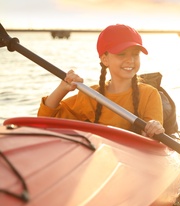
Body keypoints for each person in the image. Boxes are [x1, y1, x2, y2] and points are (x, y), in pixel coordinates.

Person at [37, 24, 165, 138]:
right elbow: (44, 121)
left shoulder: (149, 94)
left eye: (135, 54)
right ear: (105, 59)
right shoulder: (91, 95)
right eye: (121, 54)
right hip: (101, 158)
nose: (130, 60)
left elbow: (151, 136)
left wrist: (153, 128)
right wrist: (62, 89)